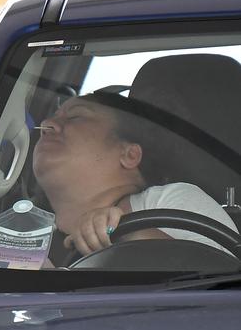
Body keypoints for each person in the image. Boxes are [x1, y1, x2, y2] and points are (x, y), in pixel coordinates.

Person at [32, 92, 238, 259]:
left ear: (129, 154)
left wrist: (123, 232)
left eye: (75, 116)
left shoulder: (167, 201)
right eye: (52, 116)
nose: (47, 124)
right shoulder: (20, 231)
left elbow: (223, 286)